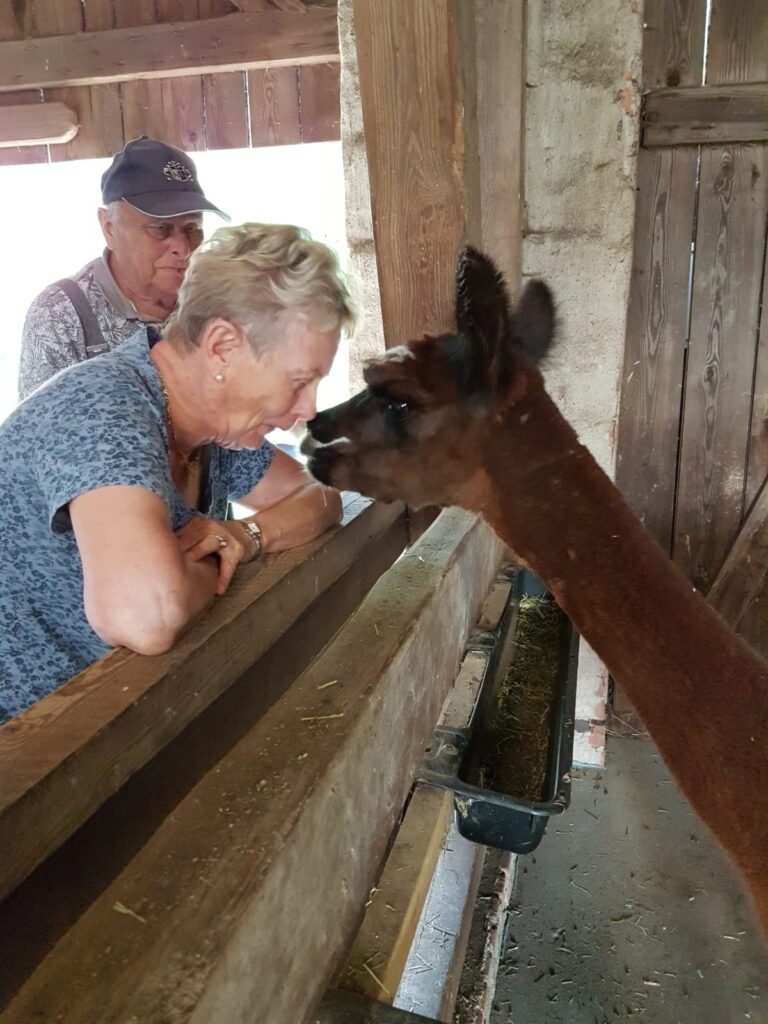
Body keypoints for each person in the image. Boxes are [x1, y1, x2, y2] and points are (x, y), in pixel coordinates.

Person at [0, 222, 355, 723]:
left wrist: (244, 536)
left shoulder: (214, 429)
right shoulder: (104, 407)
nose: (309, 409)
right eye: (299, 381)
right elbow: (145, 614)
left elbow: (320, 495)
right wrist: (213, 566)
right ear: (222, 347)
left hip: (96, 729)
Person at [17, 136, 229, 401]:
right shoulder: (61, 314)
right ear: (108, 227)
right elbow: (40, 435)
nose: (183, 247)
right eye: (161, 229)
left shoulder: (217, 302)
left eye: (192, 229)